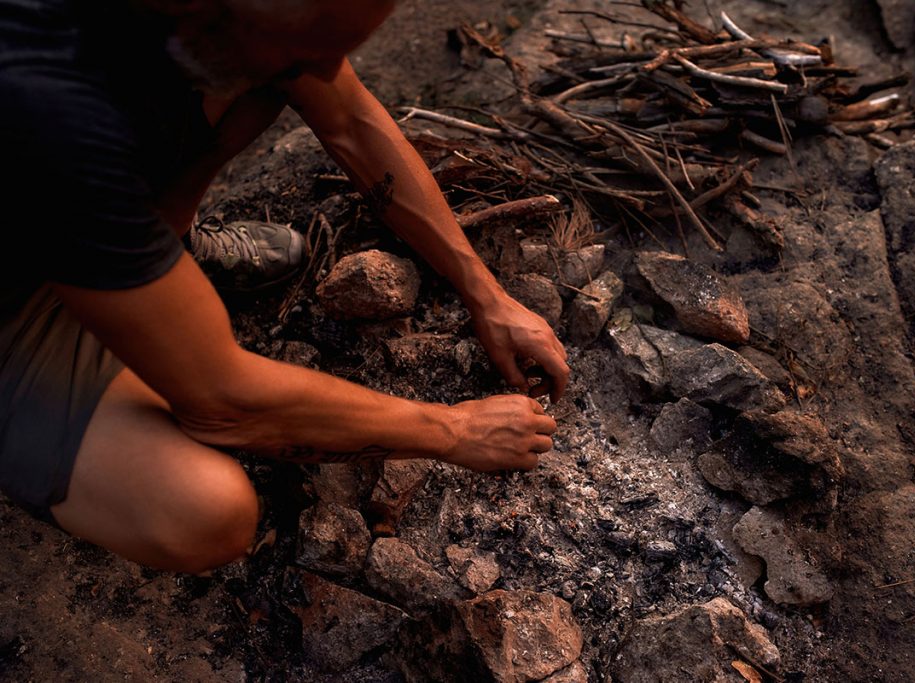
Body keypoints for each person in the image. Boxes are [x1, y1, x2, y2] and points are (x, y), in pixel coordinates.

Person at [0, 0, 571, 574]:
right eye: (312, 52)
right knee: (201, 510)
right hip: (13, 319)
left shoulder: (213, 21)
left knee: (265, 77)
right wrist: (455, 430)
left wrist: (486, 293)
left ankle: (160, 246)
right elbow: (223, 403)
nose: (328, 73)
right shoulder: (44, 111)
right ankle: (126, 291)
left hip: (68, 221)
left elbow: (349, 118)